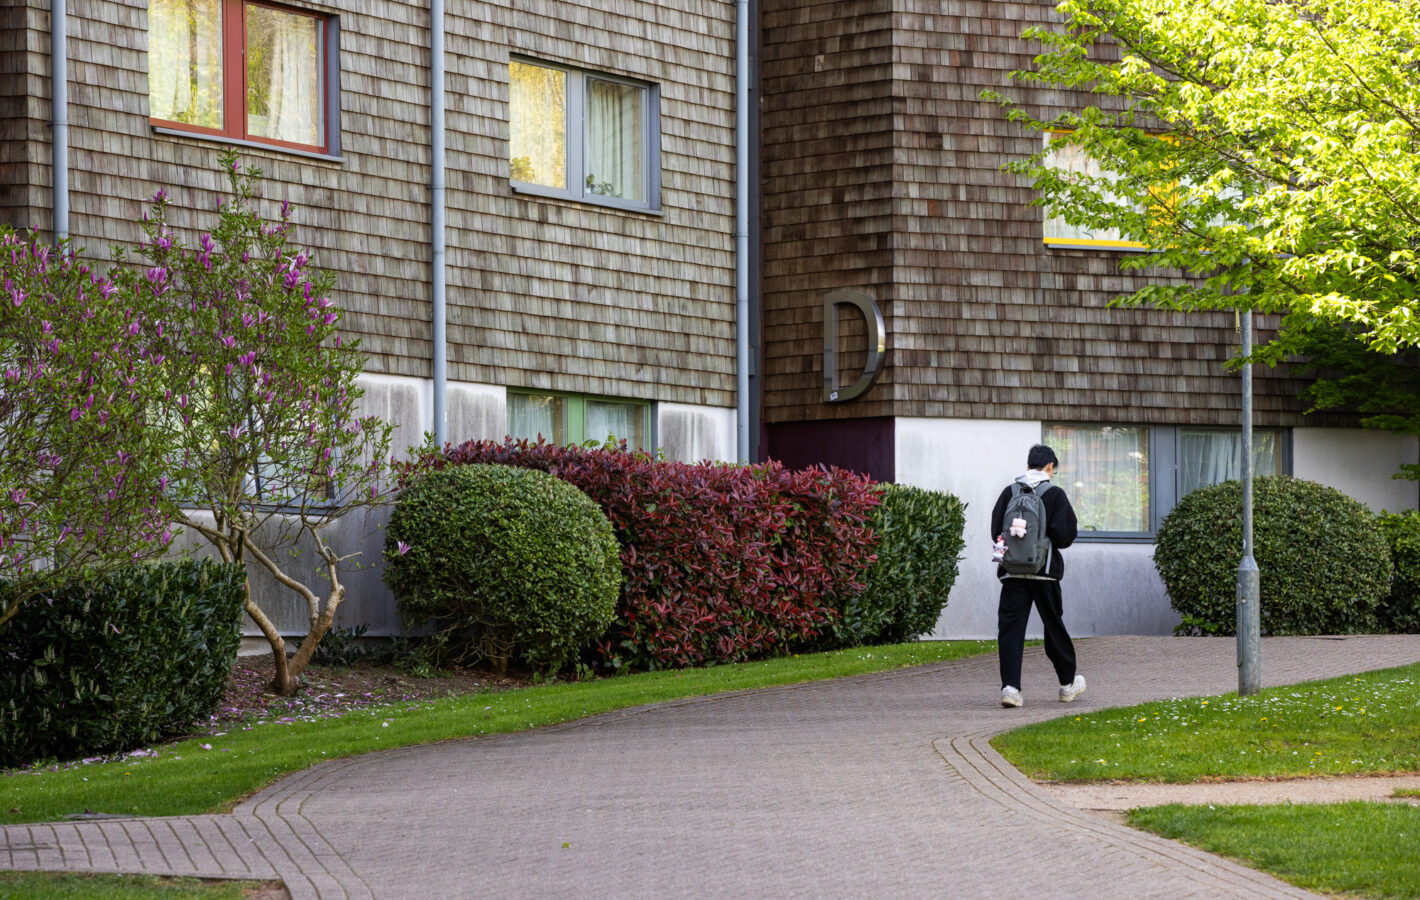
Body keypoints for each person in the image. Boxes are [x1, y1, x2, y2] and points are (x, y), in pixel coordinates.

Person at [989, 443, 1086, 708]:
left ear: (1028, 464)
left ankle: (1010, 688)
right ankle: (1067, 684)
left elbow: (996, 530)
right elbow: (1065, 536)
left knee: (1010, 630)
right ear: (1050, 467)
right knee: (1054, 627)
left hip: (1012, 574)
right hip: (1044, 574)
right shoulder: (1054, 494)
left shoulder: (1009, 492)